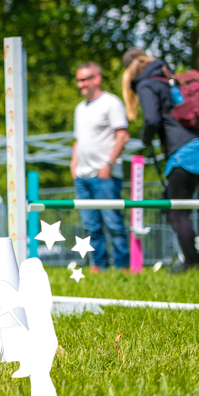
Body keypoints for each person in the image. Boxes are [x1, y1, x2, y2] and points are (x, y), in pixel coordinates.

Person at [124, 50, 199, 272]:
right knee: (175, 205)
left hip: (184, 154)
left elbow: (152, 119)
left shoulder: (146, 84)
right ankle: (192, 259)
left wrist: (145, 139)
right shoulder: (171, 79)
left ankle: (194, 264)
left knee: (175, 210)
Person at [70, 61, 130, 271]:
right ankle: (99, 267)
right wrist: (73, 165)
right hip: (82, 176)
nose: (80, 84)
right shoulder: (79, 108)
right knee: (91, 226)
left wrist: (109, 165)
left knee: (113, 224)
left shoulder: (111, 103)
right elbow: (78, 140)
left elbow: (122, 136)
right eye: (78, 80)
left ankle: (123, 267)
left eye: (84, 79)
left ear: (97, 78)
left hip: (105, 175)